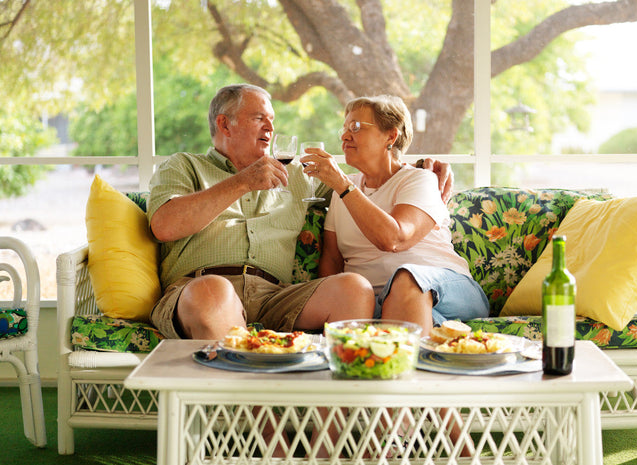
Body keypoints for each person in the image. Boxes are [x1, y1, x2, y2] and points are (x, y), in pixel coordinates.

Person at [146, 84, 453, 341]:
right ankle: (253, 406)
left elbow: (362, 184)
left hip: (274, 296)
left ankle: (334, 410)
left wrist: (416, 168)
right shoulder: (184, 165)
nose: (270, 127)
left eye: (272, 120)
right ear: (225, 124)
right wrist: (242, 182)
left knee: (353, 288)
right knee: (213, 294)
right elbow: (165, 225)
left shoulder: (295, 175)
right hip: (200, 287)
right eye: (258, 118)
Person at [304, 94, 489, 336]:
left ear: (391, 136)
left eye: (356, 127)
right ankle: (432, 336)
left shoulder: (420, 179)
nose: (344, 136)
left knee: (406, 279)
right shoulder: (344, 187)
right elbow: (332, 260)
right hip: (382, 304)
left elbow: (395, 239)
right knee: (404, 316)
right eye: (345, 128)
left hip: (445, 289)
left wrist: (342, 185)